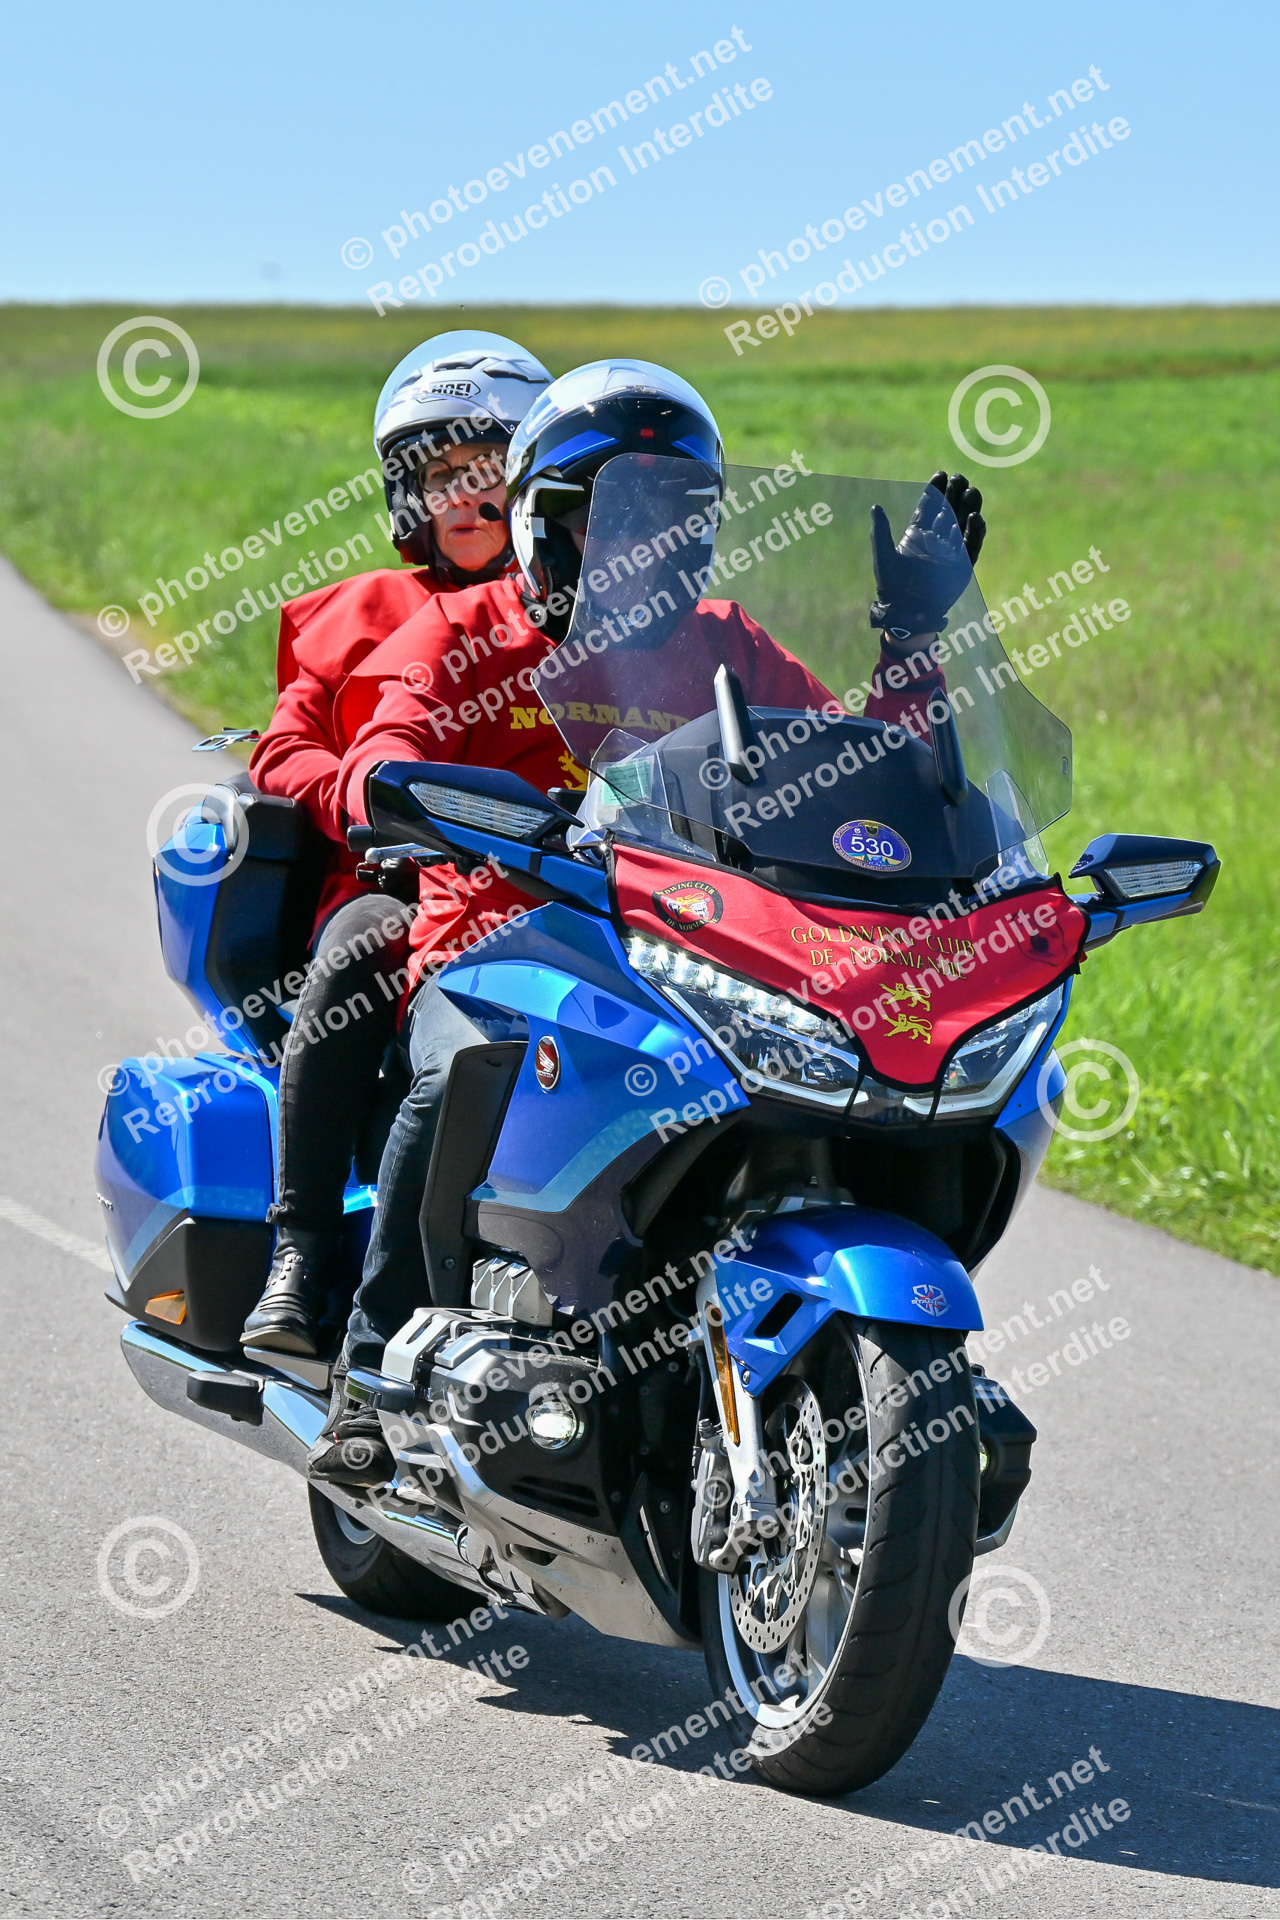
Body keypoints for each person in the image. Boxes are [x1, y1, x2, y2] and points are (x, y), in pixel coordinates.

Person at [306, 358, 991, 1482]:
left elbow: (872, 773)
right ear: (542, 524)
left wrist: (910, 635)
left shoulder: (726, 642)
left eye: (675, 519)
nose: (645, 547)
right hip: (497, 938)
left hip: (679, 941)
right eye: (609, 519)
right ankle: (370, 1372)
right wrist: (389, 788)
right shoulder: (461, 631)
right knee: (464, 1063)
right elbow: (383, 746)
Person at [239, 332, 552, 1358]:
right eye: (438, 473)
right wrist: (367, 803)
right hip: (399, 880)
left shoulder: (586, 612)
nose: (464, 495)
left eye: (488, 470)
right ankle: (301, 1251)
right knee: (360, 950)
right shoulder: (356, 615)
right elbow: (282, 749)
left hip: (562, 889)